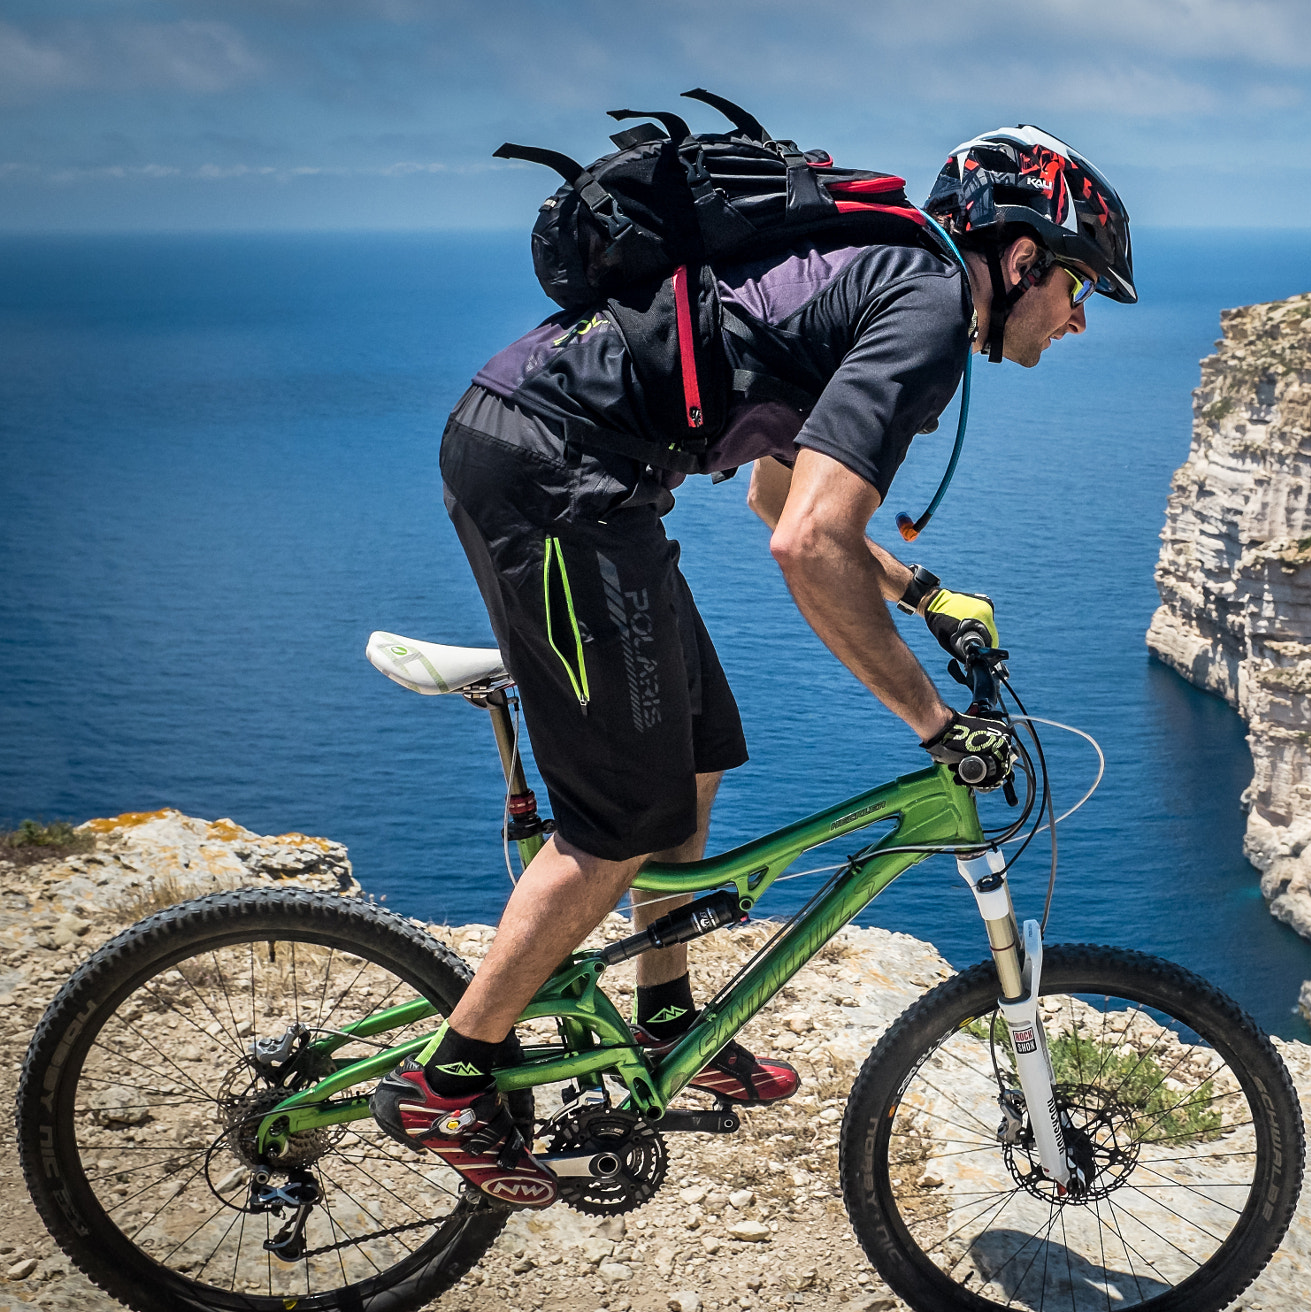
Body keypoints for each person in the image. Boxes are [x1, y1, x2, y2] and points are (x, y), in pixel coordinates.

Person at [371, 126, 1136, 1206]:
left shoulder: (884, 277)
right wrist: (931, 725)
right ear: (1017, 260)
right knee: (620, 819)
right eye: (1076, 283)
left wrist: (920, 594)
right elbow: (804, 544)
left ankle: (670, 1014)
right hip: (551, 476)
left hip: (586, 474)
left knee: (698, 753)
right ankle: (446, 1080)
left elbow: (783, 499)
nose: (1078, 314)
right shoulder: (920, 310)